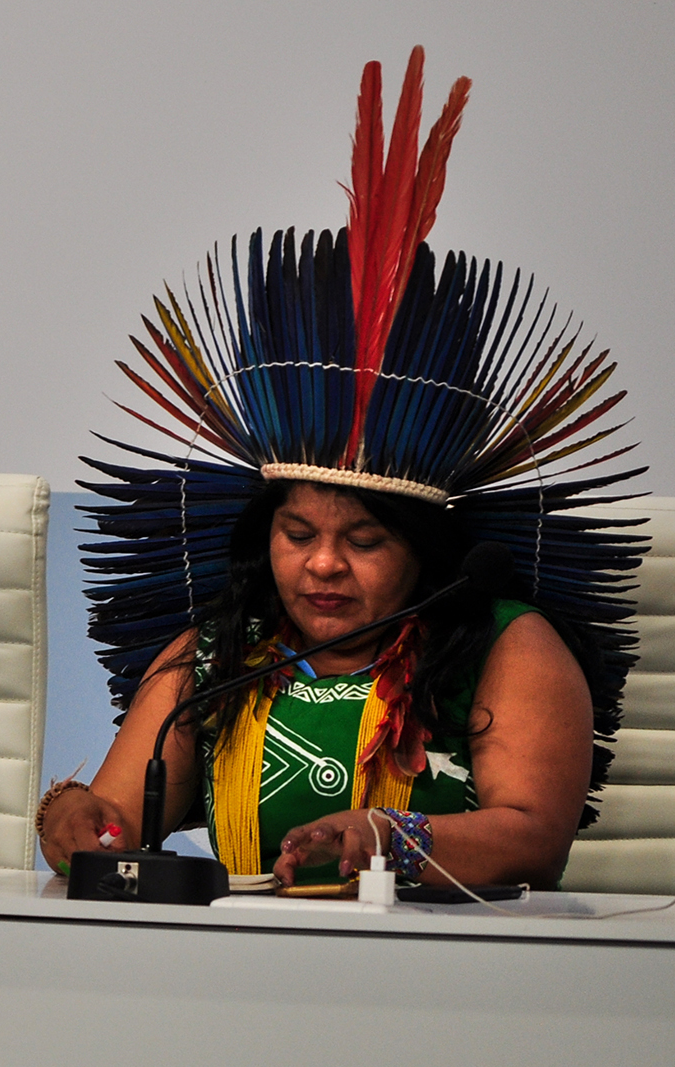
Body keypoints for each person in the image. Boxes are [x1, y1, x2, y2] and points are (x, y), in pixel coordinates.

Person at [37, 49, 639, 888]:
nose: (322, 563)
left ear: (425, 548)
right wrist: (67, 816)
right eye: (297, 531)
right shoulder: (215, 656)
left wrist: (389, 836)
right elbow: (111, 821)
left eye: (363, 538)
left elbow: (535, 837)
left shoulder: (508, 646)